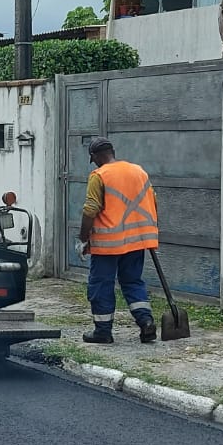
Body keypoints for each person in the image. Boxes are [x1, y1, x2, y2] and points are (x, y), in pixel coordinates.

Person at [77, 137, 158, 345]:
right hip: (137, 240)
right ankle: (146, 321)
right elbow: (153, 201)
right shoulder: (138, 171)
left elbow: (90, 209)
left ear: (95, 156)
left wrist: (83, 239)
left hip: (108, 243)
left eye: (93, 159)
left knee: (101, 284)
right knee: (132, 281)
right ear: (112, 151)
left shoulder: (99, 175)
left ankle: (103, 331)